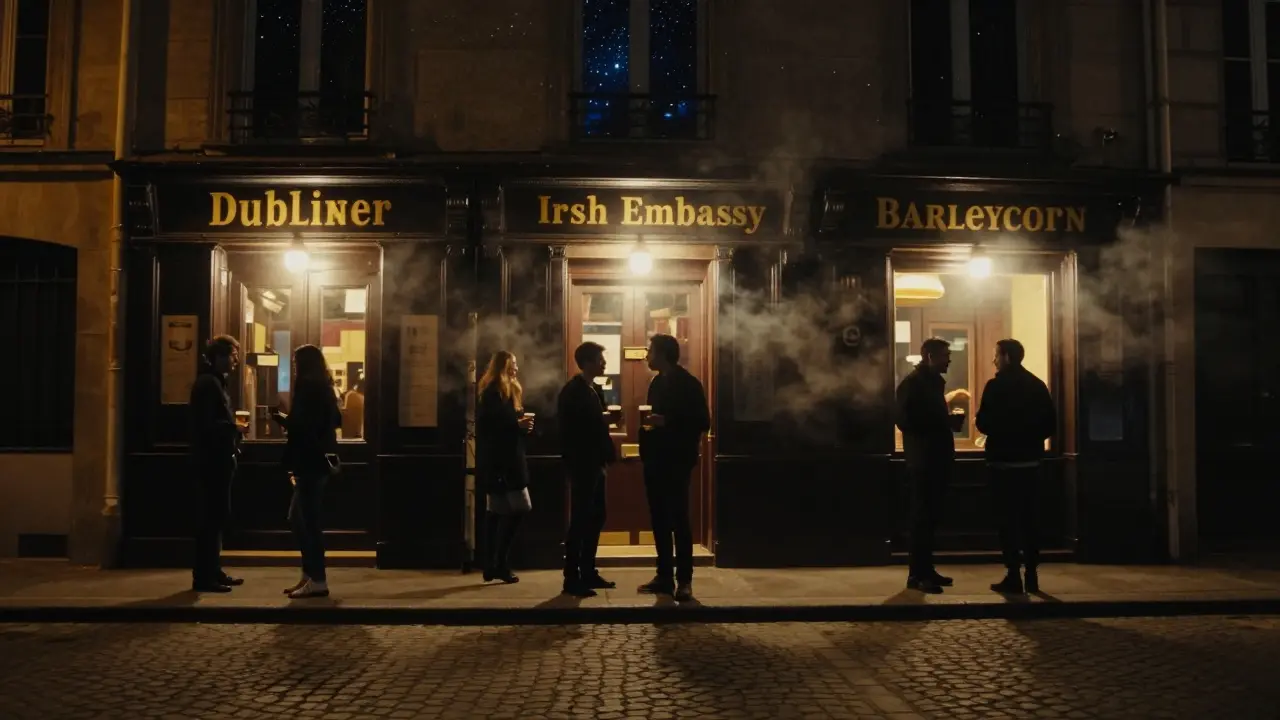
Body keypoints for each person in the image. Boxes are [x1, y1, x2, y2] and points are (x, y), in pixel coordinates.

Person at [976, 338, 1056, 594]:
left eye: (996, 355)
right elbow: (1049, 425)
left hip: (1002, 464)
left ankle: (1013, 574)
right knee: (1031, 521)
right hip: (1031, 463)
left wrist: (1003, 433)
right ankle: (1032, 574)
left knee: (1007, 522)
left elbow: (983, 424)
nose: (994, 360)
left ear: (1007, 357)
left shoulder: (995, 386)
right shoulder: (1037, 385)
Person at [637, 333, 710, 602]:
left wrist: (666, 421)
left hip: (677, 461)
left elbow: (703, 421)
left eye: (650, 351)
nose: (646, 355)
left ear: (663, 354)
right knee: (659, 519)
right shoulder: (656, 382)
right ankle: (664, 575)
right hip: (655, 459)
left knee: (679, 519)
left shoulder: (689, 384)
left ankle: (685, 580)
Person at [895, 337, 962, 594]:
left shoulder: (930, 384)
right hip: (923, 460)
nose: (949, 360)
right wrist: (942, 423)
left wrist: (945, 422)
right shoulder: (913, 385)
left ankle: (926, 570)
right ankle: (917, 575)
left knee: (930, 518)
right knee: (922, 518)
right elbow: (904, 420)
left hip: (934, 458)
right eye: (946, 355)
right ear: (931, 357)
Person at [276, 344, 342, 599]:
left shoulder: (307, 387)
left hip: (309, 463)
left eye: (295, 361)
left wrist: (285, 420)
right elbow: (337, 419)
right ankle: (309, 575)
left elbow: (302, 425)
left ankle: (318, 579)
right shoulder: (324, 387)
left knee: (307, 522)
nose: (293, 366)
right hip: (317, 463)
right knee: (299, 519)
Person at [557, 341, 618, 597]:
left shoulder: (593, 388)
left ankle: (588, 571)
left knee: (596, 516)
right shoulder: (574, 390)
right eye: (600, 359)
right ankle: (572, 578)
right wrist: (604, 419)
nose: (604, 363)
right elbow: (577, 426)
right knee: (581, 519)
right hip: (583, 462)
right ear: (588, 362)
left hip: (595, 461)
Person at [189, 335, 247, 593]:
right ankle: (204, 577)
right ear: (220, 356)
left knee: (217, 517)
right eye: (233, 355)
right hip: (211, 463)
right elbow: (205, 425)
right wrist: (233, 427)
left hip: (219, 461)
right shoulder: (207, 384)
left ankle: (213, 570)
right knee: (210, 519)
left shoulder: (216, 383)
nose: (236, 361)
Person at [477, 350, 535, 584]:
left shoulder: (504, 390)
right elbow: (492, 425)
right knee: (521, 507)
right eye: (513, 364)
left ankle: (492, 564)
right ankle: (499, 562)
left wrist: (520, 426)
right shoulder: (494, 391)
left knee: (497, 513)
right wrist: (517, 424)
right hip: (505, 462)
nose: (516, 369)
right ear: (502, 366)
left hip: (498, 462)